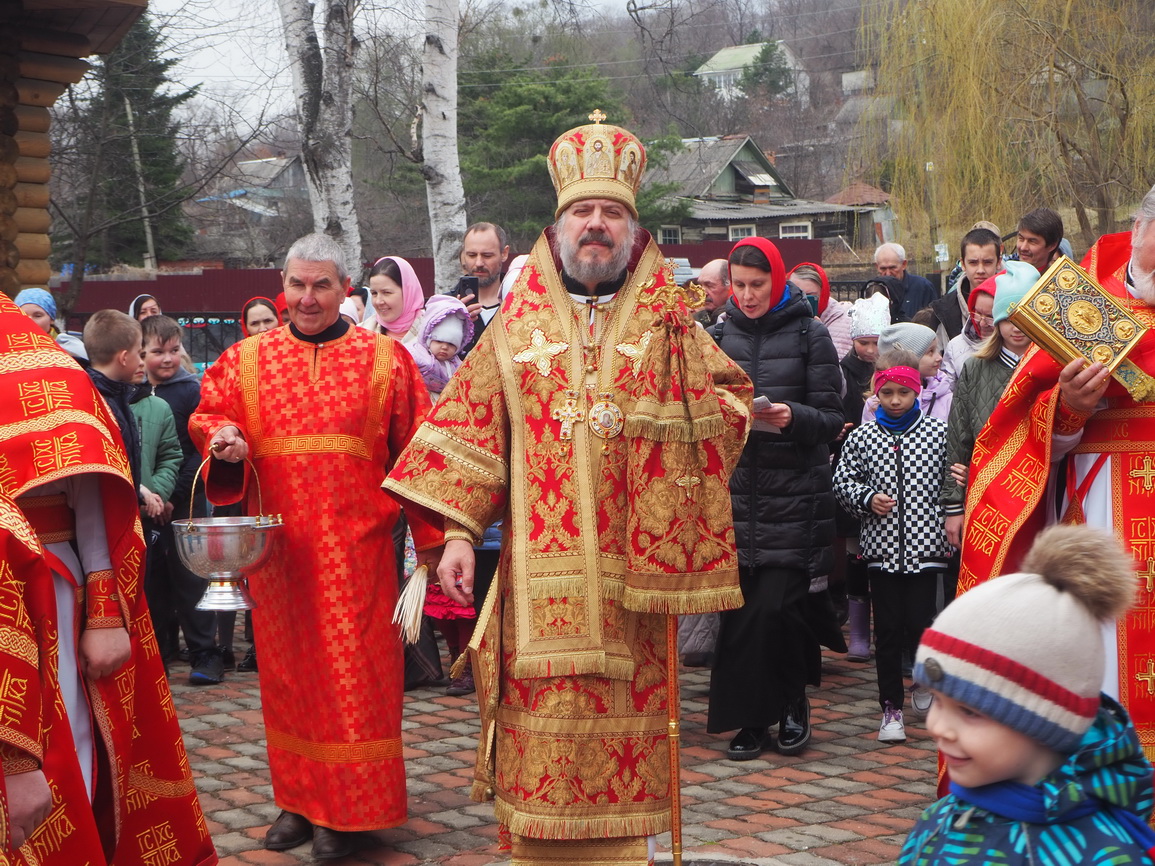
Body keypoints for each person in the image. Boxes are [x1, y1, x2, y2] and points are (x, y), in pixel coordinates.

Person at [384, 113, 752, 866]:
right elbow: (473, 428)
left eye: (610, 213)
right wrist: (457, 534)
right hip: (536, 580)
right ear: (556, 228)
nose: (594, 225)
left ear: (632, 228)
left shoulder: (668, 319)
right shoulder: (514, 326)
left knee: (623, 751)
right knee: (540, 750)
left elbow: (732, 401)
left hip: (633, 584)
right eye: (581, 212)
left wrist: (694, 416)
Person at [190, 232, 443, 860]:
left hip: (357, 557)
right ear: (285, 287)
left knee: (355, 682)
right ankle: (300, 801)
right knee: (289, 682)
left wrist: (435, 542)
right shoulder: (248, 359)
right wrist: (221, 435)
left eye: (321, 285)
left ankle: (348, 813)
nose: (307, 298)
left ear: (345, 289)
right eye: (297, 285)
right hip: (277, 558)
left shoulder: (388, 363)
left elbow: (420, 455)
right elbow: (205, 413)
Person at [0, 293, 217, 865]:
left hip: (42, 593)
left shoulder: (38, 364)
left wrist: (104, 613)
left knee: (63, 747)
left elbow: (93, 491)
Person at [956, 184, 1155, 769]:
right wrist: (1070, 403)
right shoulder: (1084, 296)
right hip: (1103, 514)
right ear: (1141, 232)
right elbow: (1031, 422)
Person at [902, 525, 1155, 864]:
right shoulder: (940, 820)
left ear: (1045, 722)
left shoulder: (1103, 853)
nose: (937, 728)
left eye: (969, 711)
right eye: (937, 700)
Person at [707, 236, 843, 761]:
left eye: (757, 285)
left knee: (779, 610)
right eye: (738, 285)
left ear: (779, 280)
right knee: (740, 616)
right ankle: (750, 719)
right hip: (736, 499)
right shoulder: (717, 336)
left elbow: (833, 419)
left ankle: (791, 704)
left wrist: (792, 417)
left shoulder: (811, 335)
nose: (746, 295)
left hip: (795, 497)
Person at [834, 349, 951, 743]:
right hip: (881, 550)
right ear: (877, 395)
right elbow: (842, 480)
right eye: (888, 394)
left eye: (904, 393)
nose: (896, 400)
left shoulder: (938, 435)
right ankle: (891, 707)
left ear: (916, 393)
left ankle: (922, 684)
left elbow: (953, 482)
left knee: (921, 627)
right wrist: (867, 499)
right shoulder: (863, 437)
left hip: (926, 547)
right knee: (886, 630)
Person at [142, 315, 228, 684]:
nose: (167, 359)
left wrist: (173, 495)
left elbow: (196, 449)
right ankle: (158, 651)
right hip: (146, 505)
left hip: (185, 500)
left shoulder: (189, 391)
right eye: (157, 352)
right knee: (153, 581)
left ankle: (205, 652)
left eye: (174, 350)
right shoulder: (133, 395)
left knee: (192, 577)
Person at [941, 262, 1037, 551]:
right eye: (1008, 318)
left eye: (1024, 317)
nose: (1016, 327)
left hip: (1042, 495)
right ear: (996, 321)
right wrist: (954, 507)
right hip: (986, 495)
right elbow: (959, 439)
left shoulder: (1053, 367)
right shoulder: (975, 368)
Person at [837, 293, 892, 662]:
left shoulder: (895, 370)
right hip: (854, 464)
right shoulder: (842, 371)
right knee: (856, 554)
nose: (871, 350)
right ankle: (858, 631)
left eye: (877, 343)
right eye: (864, 343)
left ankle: (884, 625)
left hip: (887, 470)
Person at [922, 228, 1003, 348]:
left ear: (998, 262)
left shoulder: (1012, 305)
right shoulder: (943, 311)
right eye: (973, 263)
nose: (980, 270)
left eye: (987, 262)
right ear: (963, 264)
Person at [861, 323, 951, 423]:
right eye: (930, 351)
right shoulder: (874, 405)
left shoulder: (945, 396)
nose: (939, 358)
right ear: (907, 358)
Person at [457, 222, 512, 354]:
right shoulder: (446, 306)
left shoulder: (521, 303)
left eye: (487, 255)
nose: (479, 263)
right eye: (471, 255)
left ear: (504, 253)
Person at [939, 273, 997, 392]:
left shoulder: (1017, 348)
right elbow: (946, 395)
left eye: (990, 317)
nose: (982, 323)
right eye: (977, 314)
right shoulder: (955, 347)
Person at [790, 262, 852, 360]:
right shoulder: (780, 319)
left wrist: (820, 336)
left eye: (810, 296)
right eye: (797, 295)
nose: (803, 302)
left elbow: (835, 369)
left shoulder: (842, 324)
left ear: (823, 295)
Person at [360, 255, 425, 342]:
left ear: (408, 292)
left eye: (386, 293)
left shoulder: (433, 334)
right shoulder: (361, 335)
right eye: (374, 293)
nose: (379, 301)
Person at [14, 286, 88, 362]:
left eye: (37, 316)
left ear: (51, 319)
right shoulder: (6, 349)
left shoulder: (70, 347)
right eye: (23, 315)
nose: (30, 321)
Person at [874, 242, 937, 319]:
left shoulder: (923, 287)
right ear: (877, 267)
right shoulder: (872, 290)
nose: (888, 274)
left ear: (904, 264)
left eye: (892, 268)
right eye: (883, 268)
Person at [1013, 207, 1064, 271]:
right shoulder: (1002, 278)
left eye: (1032, 241)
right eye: (1021, 239)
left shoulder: (1060, 279)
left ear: (1052, 245)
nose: (1023, 248)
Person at [693, 258, 730, 327]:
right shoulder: (694, 322)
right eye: (700, 286)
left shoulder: (739, 319)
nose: (703, 293)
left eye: (709, 286)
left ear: (729, 285)